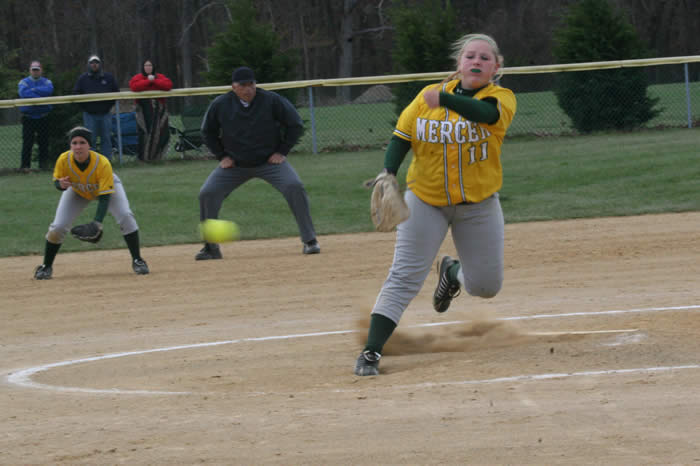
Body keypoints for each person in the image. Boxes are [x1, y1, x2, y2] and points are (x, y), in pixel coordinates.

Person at [354, 33, 517, 376]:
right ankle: (371, 351)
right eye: (470, 56)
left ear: (496, 68)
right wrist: (388, 172)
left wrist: (444, 98)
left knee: (486, 286)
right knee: (404, 276)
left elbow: (484, 115)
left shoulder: (501, 99)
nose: (476, 61)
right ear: (459, 64)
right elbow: (402, 136)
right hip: (425, 201)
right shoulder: (426, 97)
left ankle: (451, 272)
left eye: (484, 58)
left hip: (478, 205)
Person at [195, 66, 320, 260]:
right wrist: (222, 156)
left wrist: (282, 151)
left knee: (294, 186)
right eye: (242, 85)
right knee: (207, 193)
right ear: (233, 87)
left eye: (251, 84)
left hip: (269, 162)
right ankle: (211, 248)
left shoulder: (271, 100)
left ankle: (310, 240)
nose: (248, 89)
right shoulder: (221, 104)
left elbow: (295, 124)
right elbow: (207, 132)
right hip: (235, 165)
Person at [33, 126, 149, 280]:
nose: (78, 147)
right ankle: (46, 266)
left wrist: (97, 222)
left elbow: (105, 197)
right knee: (58, 226)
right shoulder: (64, 159)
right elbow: (57, 181)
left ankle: (138, 260)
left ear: (90, 145)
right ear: (70, 145)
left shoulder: (102, 163)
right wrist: (59, 185)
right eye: (74, 143)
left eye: (82, 142)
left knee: (125, 215)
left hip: (106, 188)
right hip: (77, 190)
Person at [73, 55, 119, 160]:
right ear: (88, 64)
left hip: (105, 114)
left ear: (100, 64)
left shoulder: (108, 77)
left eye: (96, 62)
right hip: (89, 115)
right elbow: (76, 93)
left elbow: (116, 92)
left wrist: (108, 106)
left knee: (106, 139)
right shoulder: (83, 78)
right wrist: (86, 108)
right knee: (90, 140)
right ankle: (91, 162)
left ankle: (106, 162)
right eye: (92, 63)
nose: (94, 65)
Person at [128, 60, 173, 161]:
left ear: (153, 67)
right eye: (146, 65)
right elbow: (134, 87)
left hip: (159, 110)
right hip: (143, 110)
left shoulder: (159, 76)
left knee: (162, 133)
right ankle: (144, 158)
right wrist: (148, 81)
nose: (148, 67)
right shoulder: (138, 77)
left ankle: (158, 157)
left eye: (150, 65)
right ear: (143, 67)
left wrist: (154, 81)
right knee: (145, 133)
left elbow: (168, 85)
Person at [18, 60, 54, 171]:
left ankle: (43, 166)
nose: (35, 72)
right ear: (30, 70)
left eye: (37, 70)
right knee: (27, 143)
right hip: (28, 117)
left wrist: (33, 90)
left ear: (41, 70)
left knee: (44, 142)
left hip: (43, 117)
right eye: (33, 70)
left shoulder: (47, 82)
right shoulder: (23, 82)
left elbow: (49, 91)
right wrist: (40, 97)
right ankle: (25, 167)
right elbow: (24, 93)